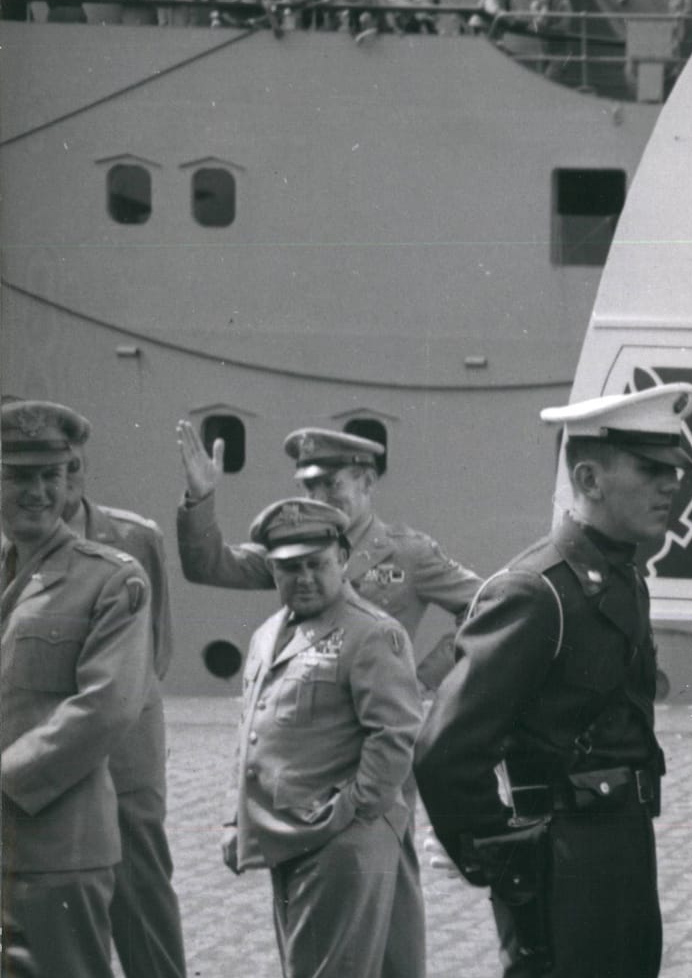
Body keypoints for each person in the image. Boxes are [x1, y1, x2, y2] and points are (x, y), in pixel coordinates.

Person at [415, 384, 692, 977]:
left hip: (620, 844)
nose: (670, 483)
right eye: (650, 468)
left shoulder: (619, 576)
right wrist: (507, 861)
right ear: (590, 480)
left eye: (673, 468)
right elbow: (446, 749)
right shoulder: (536, 592)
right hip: (562, 860)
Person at [222, 498, 425, 978]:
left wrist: (350, 810)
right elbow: (249, 729)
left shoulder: (372, 633)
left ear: (342, 559)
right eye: (289, 567)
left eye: (316, 564)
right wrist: (235, 820)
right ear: (273, 571)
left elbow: (395, 736)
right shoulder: (270, 634)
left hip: (337, 838)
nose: (304, 577)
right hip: (291, 836)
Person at [1, 400, 155, 978]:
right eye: (18, 476)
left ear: (70, 482)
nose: (38, 491)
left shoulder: (111, 579)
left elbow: (107, 706)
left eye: (52, 476)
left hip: (57, 853)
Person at [175, 422, 483, 690]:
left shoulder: (408, 553)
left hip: (377, 710)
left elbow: (487, 606)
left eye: (332, 484)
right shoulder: (296, 547)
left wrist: (424, 679)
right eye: (310, 486)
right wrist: (200, 498)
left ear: (368, 482)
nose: (320, 498)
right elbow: (208, 567)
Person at [46, 407, 188, 978]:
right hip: (41, 756)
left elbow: (157, 647)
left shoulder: (135, 537)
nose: (62, 477)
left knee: (142, 898)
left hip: (123, 757)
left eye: (70, 463)